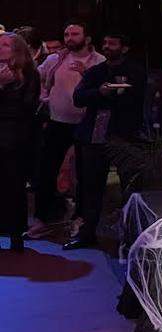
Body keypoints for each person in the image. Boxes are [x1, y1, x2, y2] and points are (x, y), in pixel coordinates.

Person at [65, 33, 146, 250]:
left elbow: (143, 101)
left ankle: (132, 238)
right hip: (95, 134)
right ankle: (86, 233)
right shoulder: (96, 71)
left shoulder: (137, 72)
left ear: (125, 48)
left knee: (130, 188)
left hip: (125, 135)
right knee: (90, 187)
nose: (107, 47)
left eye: (112, 43)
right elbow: (78, 97)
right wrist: (99, 92)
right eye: (105, 43)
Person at [27, 22, 104, 238]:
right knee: (46, 170)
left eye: (75, 34)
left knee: (84, 174)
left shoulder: (100, 62)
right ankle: (41, 218)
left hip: (86, 124)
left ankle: (79, 219)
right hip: (57, 121)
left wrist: (87, 73)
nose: (69, 38)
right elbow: (35, 76)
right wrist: (43, 96)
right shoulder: (56, 59)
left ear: (87, 38)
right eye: (67, 34)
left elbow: (105, 89)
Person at [0, 34, 41, 251]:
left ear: (17, 50)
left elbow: (28, 108)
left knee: (14, 187)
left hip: (16, 139)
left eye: (5, 45)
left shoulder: (30, 74)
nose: (0, 47)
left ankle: (16, 234)